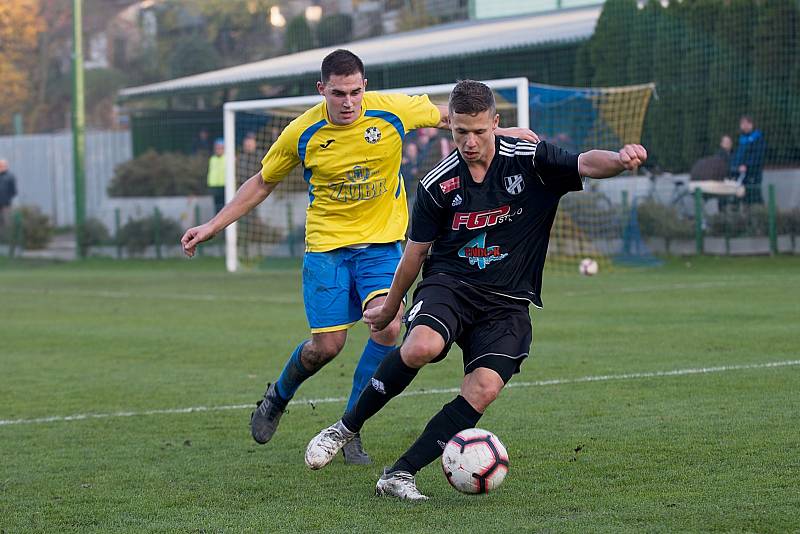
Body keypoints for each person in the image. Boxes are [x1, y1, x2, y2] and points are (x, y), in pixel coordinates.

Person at [180, 51, 537, 465]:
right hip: (327, 251)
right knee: (326, 347)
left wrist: (506, 131)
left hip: (382, 247)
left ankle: (351, 428)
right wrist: (211, 226)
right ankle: (278, 395)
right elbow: (262, 182)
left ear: (364, 86)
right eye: (338, 93)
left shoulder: (392, 111)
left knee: (388, 331)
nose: (348, 102)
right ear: (322, 91)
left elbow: (451, 118)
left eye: (355, 91)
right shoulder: (303, 132)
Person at [304, 80, 647, 500]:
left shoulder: (529, 159)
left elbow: (586, 163)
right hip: (451, 285)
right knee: (420, 347)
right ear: (451, 127)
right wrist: (392, 307)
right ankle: (345, 427)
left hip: (508, 303)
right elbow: (414, 255)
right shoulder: (437, 183)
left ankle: (398, 475)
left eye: (479, 131)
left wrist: (619, 158)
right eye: (460, 131)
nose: (469, 142)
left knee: (483, 389)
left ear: (496, 124)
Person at [730, 115, 766, 204]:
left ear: (752, 124)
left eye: (747, 123)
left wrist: (746, 165)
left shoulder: (757, 137)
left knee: (755, 196)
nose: (744, 126)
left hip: (754, 173)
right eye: (742, 123)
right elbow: (738, 155)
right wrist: (735, 166)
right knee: (743, 197)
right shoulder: (741, 139)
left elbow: (758, 155)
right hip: (742, 174)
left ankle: (762, 214)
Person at [207, 138, 226, 214]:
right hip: (214, 187)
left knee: (225, 207)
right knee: (216, 208)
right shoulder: (212, 159)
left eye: (220, 148)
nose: (218, 149)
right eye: (217, 148)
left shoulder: (228, 158)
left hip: (225, 186)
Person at [0, 159, 18, 228]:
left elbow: (14, 191)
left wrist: (6, 198)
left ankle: (7, 238)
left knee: (7, 224)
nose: (1, 167)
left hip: (6, 205)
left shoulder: (10, 177)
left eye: (3, 165)